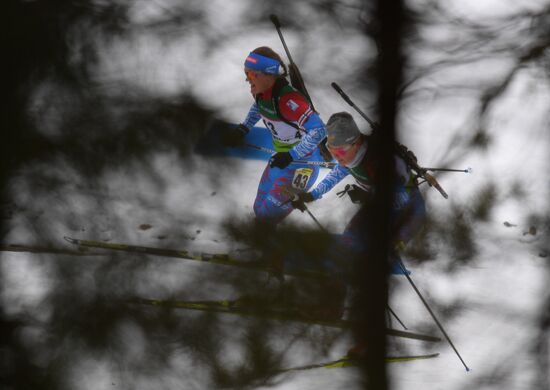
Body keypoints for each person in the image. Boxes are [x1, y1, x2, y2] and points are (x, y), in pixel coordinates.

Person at [291, 111, 426, 260]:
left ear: (356, 143)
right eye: (332, 151)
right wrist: (311, 195)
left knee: (382, 245)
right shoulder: (351, 157)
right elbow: (335, 175)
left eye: (341, 150)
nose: (338, 157)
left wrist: (370, 197)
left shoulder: (379, 162)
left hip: (409, 211)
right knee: (350, 237)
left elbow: (400, 198)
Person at [224, 46, 327, 227]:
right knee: (259, 208)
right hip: (281, 161)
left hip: (303, 166)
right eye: (246, 74)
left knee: (266, 216)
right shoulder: (262, 94)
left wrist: (291, 155)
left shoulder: (289, 100)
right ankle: (264, 244)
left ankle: (269, 248)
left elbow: (319, 130)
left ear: (268, 74)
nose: (247, 79)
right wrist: (243, 128)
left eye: (251, 74)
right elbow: (260, 107)